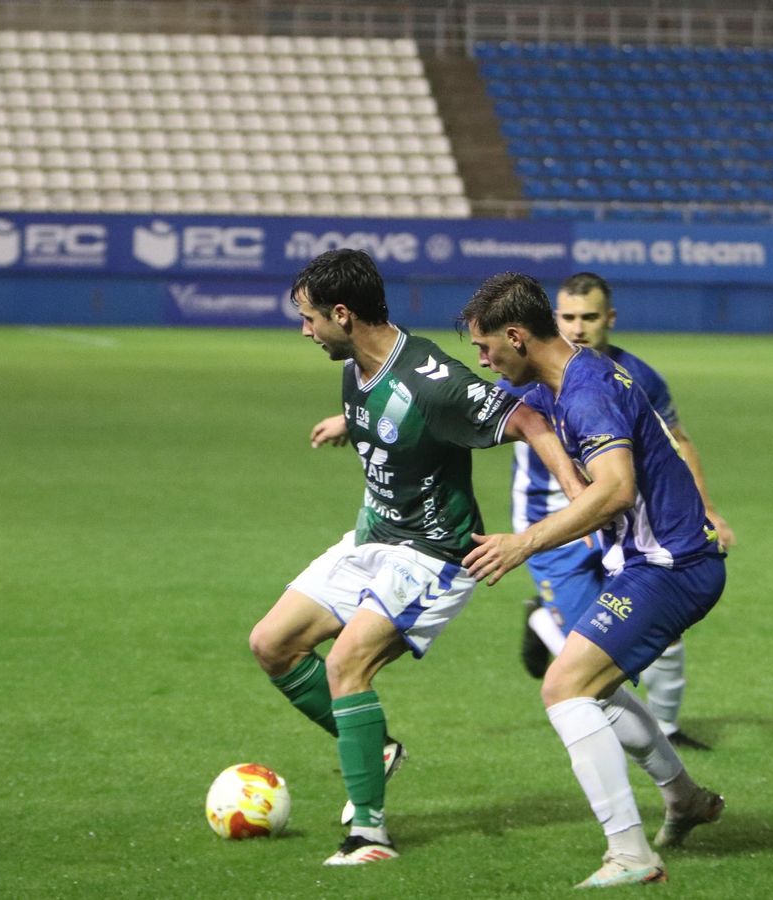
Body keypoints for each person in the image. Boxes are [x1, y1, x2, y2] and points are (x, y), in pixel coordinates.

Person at [246, 249, 580, 867]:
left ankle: (369, 836)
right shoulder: (359, 368)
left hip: (433, 553)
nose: (305, 331)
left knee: (346, 664)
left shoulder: (434, 380)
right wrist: (349, 422)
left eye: (309, 318)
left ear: (342, 315)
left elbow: (529, 418)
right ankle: (374, 748)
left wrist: (580, 497)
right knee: (271, 644)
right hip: (373, 536)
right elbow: (391, 415)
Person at [460, 272, 727, 888]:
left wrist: (524, 541)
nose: (483, 361)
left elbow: (617, 489)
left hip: (670, 567)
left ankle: (630, 854)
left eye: (485, 347)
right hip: (651, 561)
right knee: (594, 688)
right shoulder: (569, 377)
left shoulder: (587, 393)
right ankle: (684, 799)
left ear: (516, 337)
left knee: (565, 687)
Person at [511, 272, 735, 749]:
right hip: (555, 525)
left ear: (609, 318)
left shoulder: (637, 375)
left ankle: (667, 728)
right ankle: (544, 620)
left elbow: (677, 442)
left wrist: (707, 509)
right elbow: (467, 410)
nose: (578, 327)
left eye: (589, 317)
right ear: (554, 318)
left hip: (630, 524)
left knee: (659, 628)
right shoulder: (528, 372)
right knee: (587, 658)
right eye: (568, 317)